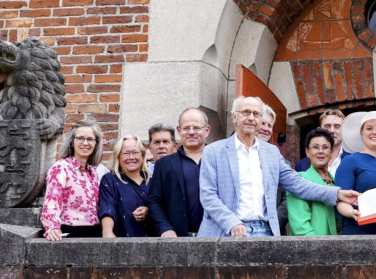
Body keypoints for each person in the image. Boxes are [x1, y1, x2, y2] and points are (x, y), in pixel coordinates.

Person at [197, 96, 359, 237]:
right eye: (245, 112)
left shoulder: (271, 152)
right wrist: (232, 222)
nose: (251, 118)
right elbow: (208, 196)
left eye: (256, 114)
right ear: (234, 117)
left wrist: (337, 193)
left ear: (261, 120)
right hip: (226, 231)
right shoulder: (213, 151)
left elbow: (298, 184)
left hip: (265, 231)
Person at [148, 108, 211, 237]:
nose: (191, 132)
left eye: (196, 128)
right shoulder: (164, 164)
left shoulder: (220, 160)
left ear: (207, 131)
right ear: (179, 131)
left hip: (215, 235)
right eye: (186, 128)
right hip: (177, 238)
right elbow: (154, 201)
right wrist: (165, 228)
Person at [41, 120, 104, 241]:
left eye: (90, 139)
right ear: (71, 142)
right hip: (70, 233)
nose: (85, 143)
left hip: (94, 232)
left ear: (96, 144)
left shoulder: (93, 173)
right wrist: (52, 227)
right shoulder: (61, 167)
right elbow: (52, 201)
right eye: (80, 138)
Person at [98, 135, 153, 237]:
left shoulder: (152, 181)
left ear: (142, 155)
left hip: (152, 242)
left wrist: (149, 211)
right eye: (126, 153)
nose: (131, 157)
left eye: (135, 153)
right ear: (118, 156)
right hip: (122, 242)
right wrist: (107, 232)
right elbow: (107, 209)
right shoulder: (110, 180)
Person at [287, 128, 338, 236]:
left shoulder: (335, 181)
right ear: (307, 152)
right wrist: (320, 248)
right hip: (312, 248)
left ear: (331, 152)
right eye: (315, 147)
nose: (320, 151)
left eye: (325, 147)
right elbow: (300, 227)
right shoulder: (299, 180)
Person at [255, 104, 288, 235]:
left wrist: (270, 223)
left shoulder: (281, 161)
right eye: (262, 123)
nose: (265, 129)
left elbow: (287, 198)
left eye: (269, 126)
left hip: (272, 231)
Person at [295, 109, 349, 175]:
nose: (332, 130)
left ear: (344, 130)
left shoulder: (353, 161)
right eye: (327, 126)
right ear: (319, 130)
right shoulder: (302, 165)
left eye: (337, 127)